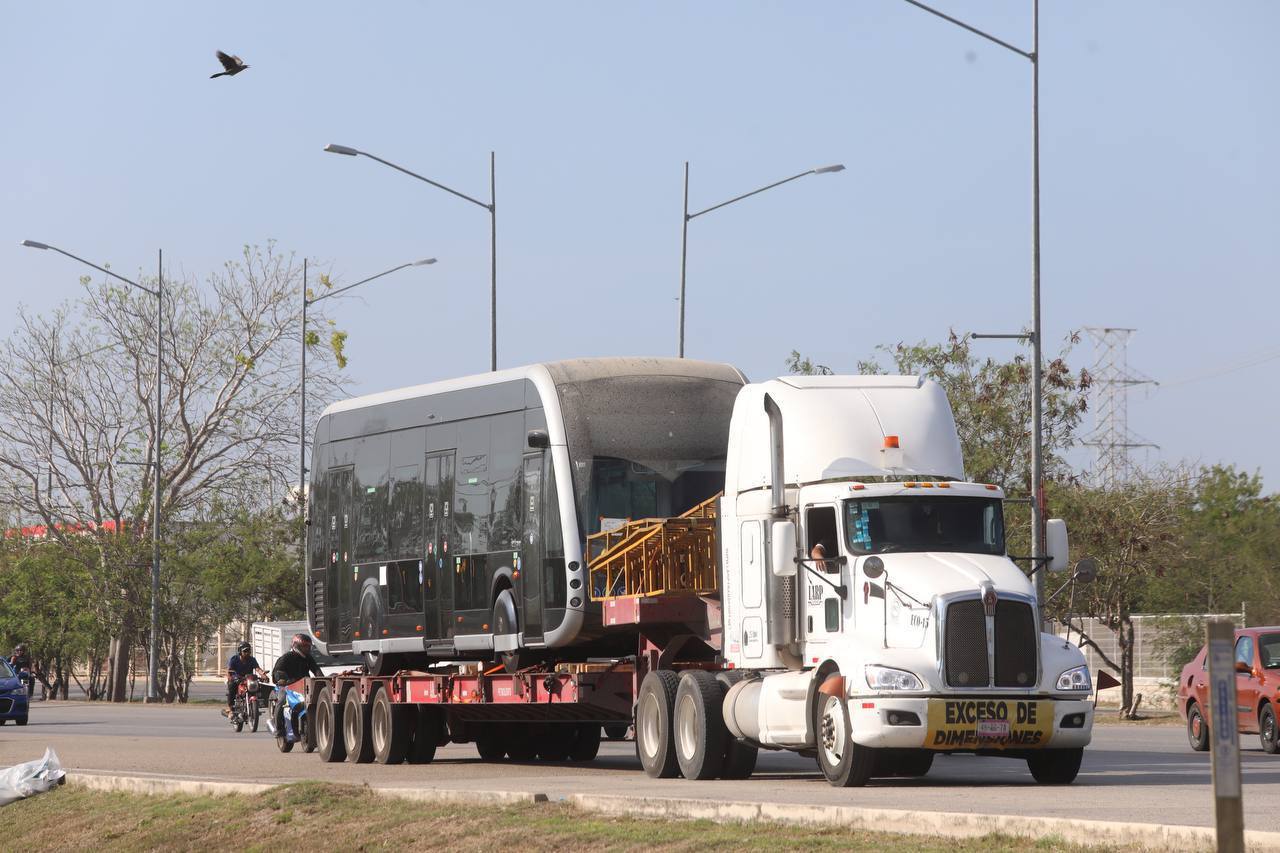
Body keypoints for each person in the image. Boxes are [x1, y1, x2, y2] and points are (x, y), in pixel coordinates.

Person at [224, 642, 266, 716]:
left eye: (249, 651)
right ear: (240, 651)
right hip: (237, 678)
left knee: (258, 686)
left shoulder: (252, 659)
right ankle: (230, 709)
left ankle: (256, 704)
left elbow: (257, 668)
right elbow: (229, 671)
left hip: (248, 679)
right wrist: (232, 677)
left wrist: (263, 675)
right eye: (245, 651)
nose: (247, 653)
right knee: (231, 687)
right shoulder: (234, 659)